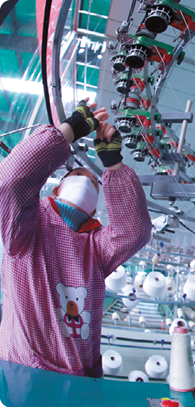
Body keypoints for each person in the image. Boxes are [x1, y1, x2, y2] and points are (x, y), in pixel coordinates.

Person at [0, 100, 152, 377]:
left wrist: (114, 165)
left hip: (81, 376)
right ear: (57, 190)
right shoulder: (26, 226)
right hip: (24, 371)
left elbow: (135, 232)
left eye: (94, 182)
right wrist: (67, 131)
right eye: (77, 174)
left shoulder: (95, 246)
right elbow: (10, 182)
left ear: (94, 207)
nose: (86, 180)